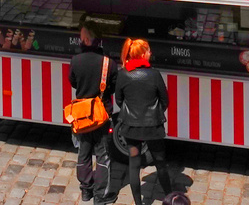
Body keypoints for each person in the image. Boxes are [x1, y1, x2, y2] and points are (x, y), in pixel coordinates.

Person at [112, 38, 174, 204]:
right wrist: (154, 114)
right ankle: (170, 197)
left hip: (131, 128)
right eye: (148, 50)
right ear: (142, 54)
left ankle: (138, 203)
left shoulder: (123, 74)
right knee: (160, 163)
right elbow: (165, 100)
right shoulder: (154, 74)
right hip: (152, 127)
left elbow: (119, 100)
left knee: (134, 165)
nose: (150, 53)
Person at [67, 23, 115, 202]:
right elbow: (113, 87)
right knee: (103, 156)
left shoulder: (75, 61)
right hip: (102, 116)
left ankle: (86, 190)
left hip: (81, 117)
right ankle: (100, 196)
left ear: (86, 40)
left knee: (84, 153)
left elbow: (73, 82)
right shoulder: (108, 63)